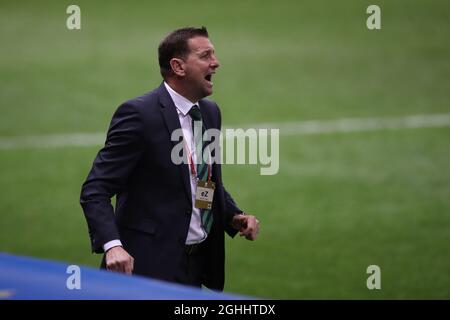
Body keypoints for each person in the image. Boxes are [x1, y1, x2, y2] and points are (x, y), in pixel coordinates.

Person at [79, 27, 260, 291]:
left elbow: (200, 179)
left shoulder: (209, 113)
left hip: (194, 267)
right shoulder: (139, 115)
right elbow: (95, 190)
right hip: (144, 268)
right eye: (205, 55)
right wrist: (113, 246)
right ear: (178, 66)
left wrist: (232, 215)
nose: (216, 62)